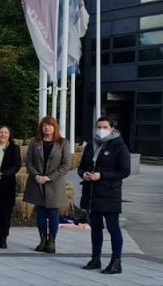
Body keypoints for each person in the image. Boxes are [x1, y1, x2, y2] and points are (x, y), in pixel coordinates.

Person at [78, 116, 131, 275]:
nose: (101, 130)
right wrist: (84, 174)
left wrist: (101, 175)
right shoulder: (90, 145)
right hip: (92, 193)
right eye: (98, 127)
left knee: (113, 228)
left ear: (112, 128)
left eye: (105, 127)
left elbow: (124, 171)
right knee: (95, 228)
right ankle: (95, 258)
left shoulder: (119, 146)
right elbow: (81, 167)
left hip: (109, 193)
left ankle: (116, 261)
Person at [23, 116, 72, 254]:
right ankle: (42, 239)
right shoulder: (35, 142)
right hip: (37, 182)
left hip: (54, 183)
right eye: (44, 126)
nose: (46, 128)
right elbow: (29, 162)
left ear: (54, 127)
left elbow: (66, 165)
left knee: (53, 213)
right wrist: (37, 176)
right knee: (40, 213)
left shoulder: (63, 143)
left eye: (49, 125)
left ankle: (52, 240)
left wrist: (49, 178)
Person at [0, 125, 21, 249]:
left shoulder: (14, 148)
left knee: (5, 214)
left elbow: (16, 165)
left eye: (6, 132)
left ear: (9, 135)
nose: (3, 135)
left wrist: (2, 173)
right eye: (1, 132)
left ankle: (3, 238)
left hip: (7, 185)